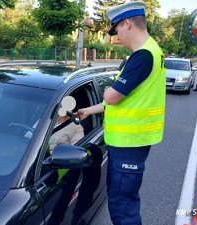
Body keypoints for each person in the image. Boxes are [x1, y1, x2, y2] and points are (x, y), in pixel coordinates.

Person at [76, 1, 166, 224]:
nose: (116, 37)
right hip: (129, 143)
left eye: (116, 30)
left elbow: (111, 97)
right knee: (122, 202)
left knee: (122, 207)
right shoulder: (150, 50)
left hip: (129, 145)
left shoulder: (143, 56)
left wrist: (107, 92)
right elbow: (125, 101)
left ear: (127, 24)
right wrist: (90, 109)